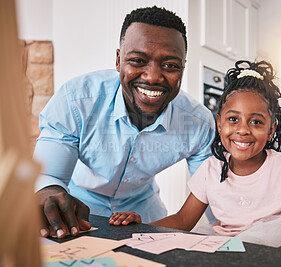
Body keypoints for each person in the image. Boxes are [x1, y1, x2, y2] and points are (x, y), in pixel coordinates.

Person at [109, 60, 281, 256]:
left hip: (272, 250)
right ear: (219, 123)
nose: (242, 130)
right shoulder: (210, 169)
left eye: (256, 122)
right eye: (233, 119)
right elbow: (182, 221)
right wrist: (140, 226)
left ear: (271, 128)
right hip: (221, 246)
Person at [34, 6, 215, 239]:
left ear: (182, 68)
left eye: (170, 65)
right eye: (138, 60)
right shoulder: (77, 100)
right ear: (119, 60)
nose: (152, 77)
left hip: (145, 218)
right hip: (78, 213)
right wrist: (51, 193)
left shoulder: (198, 123)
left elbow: (215, 195)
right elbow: (51, 176)